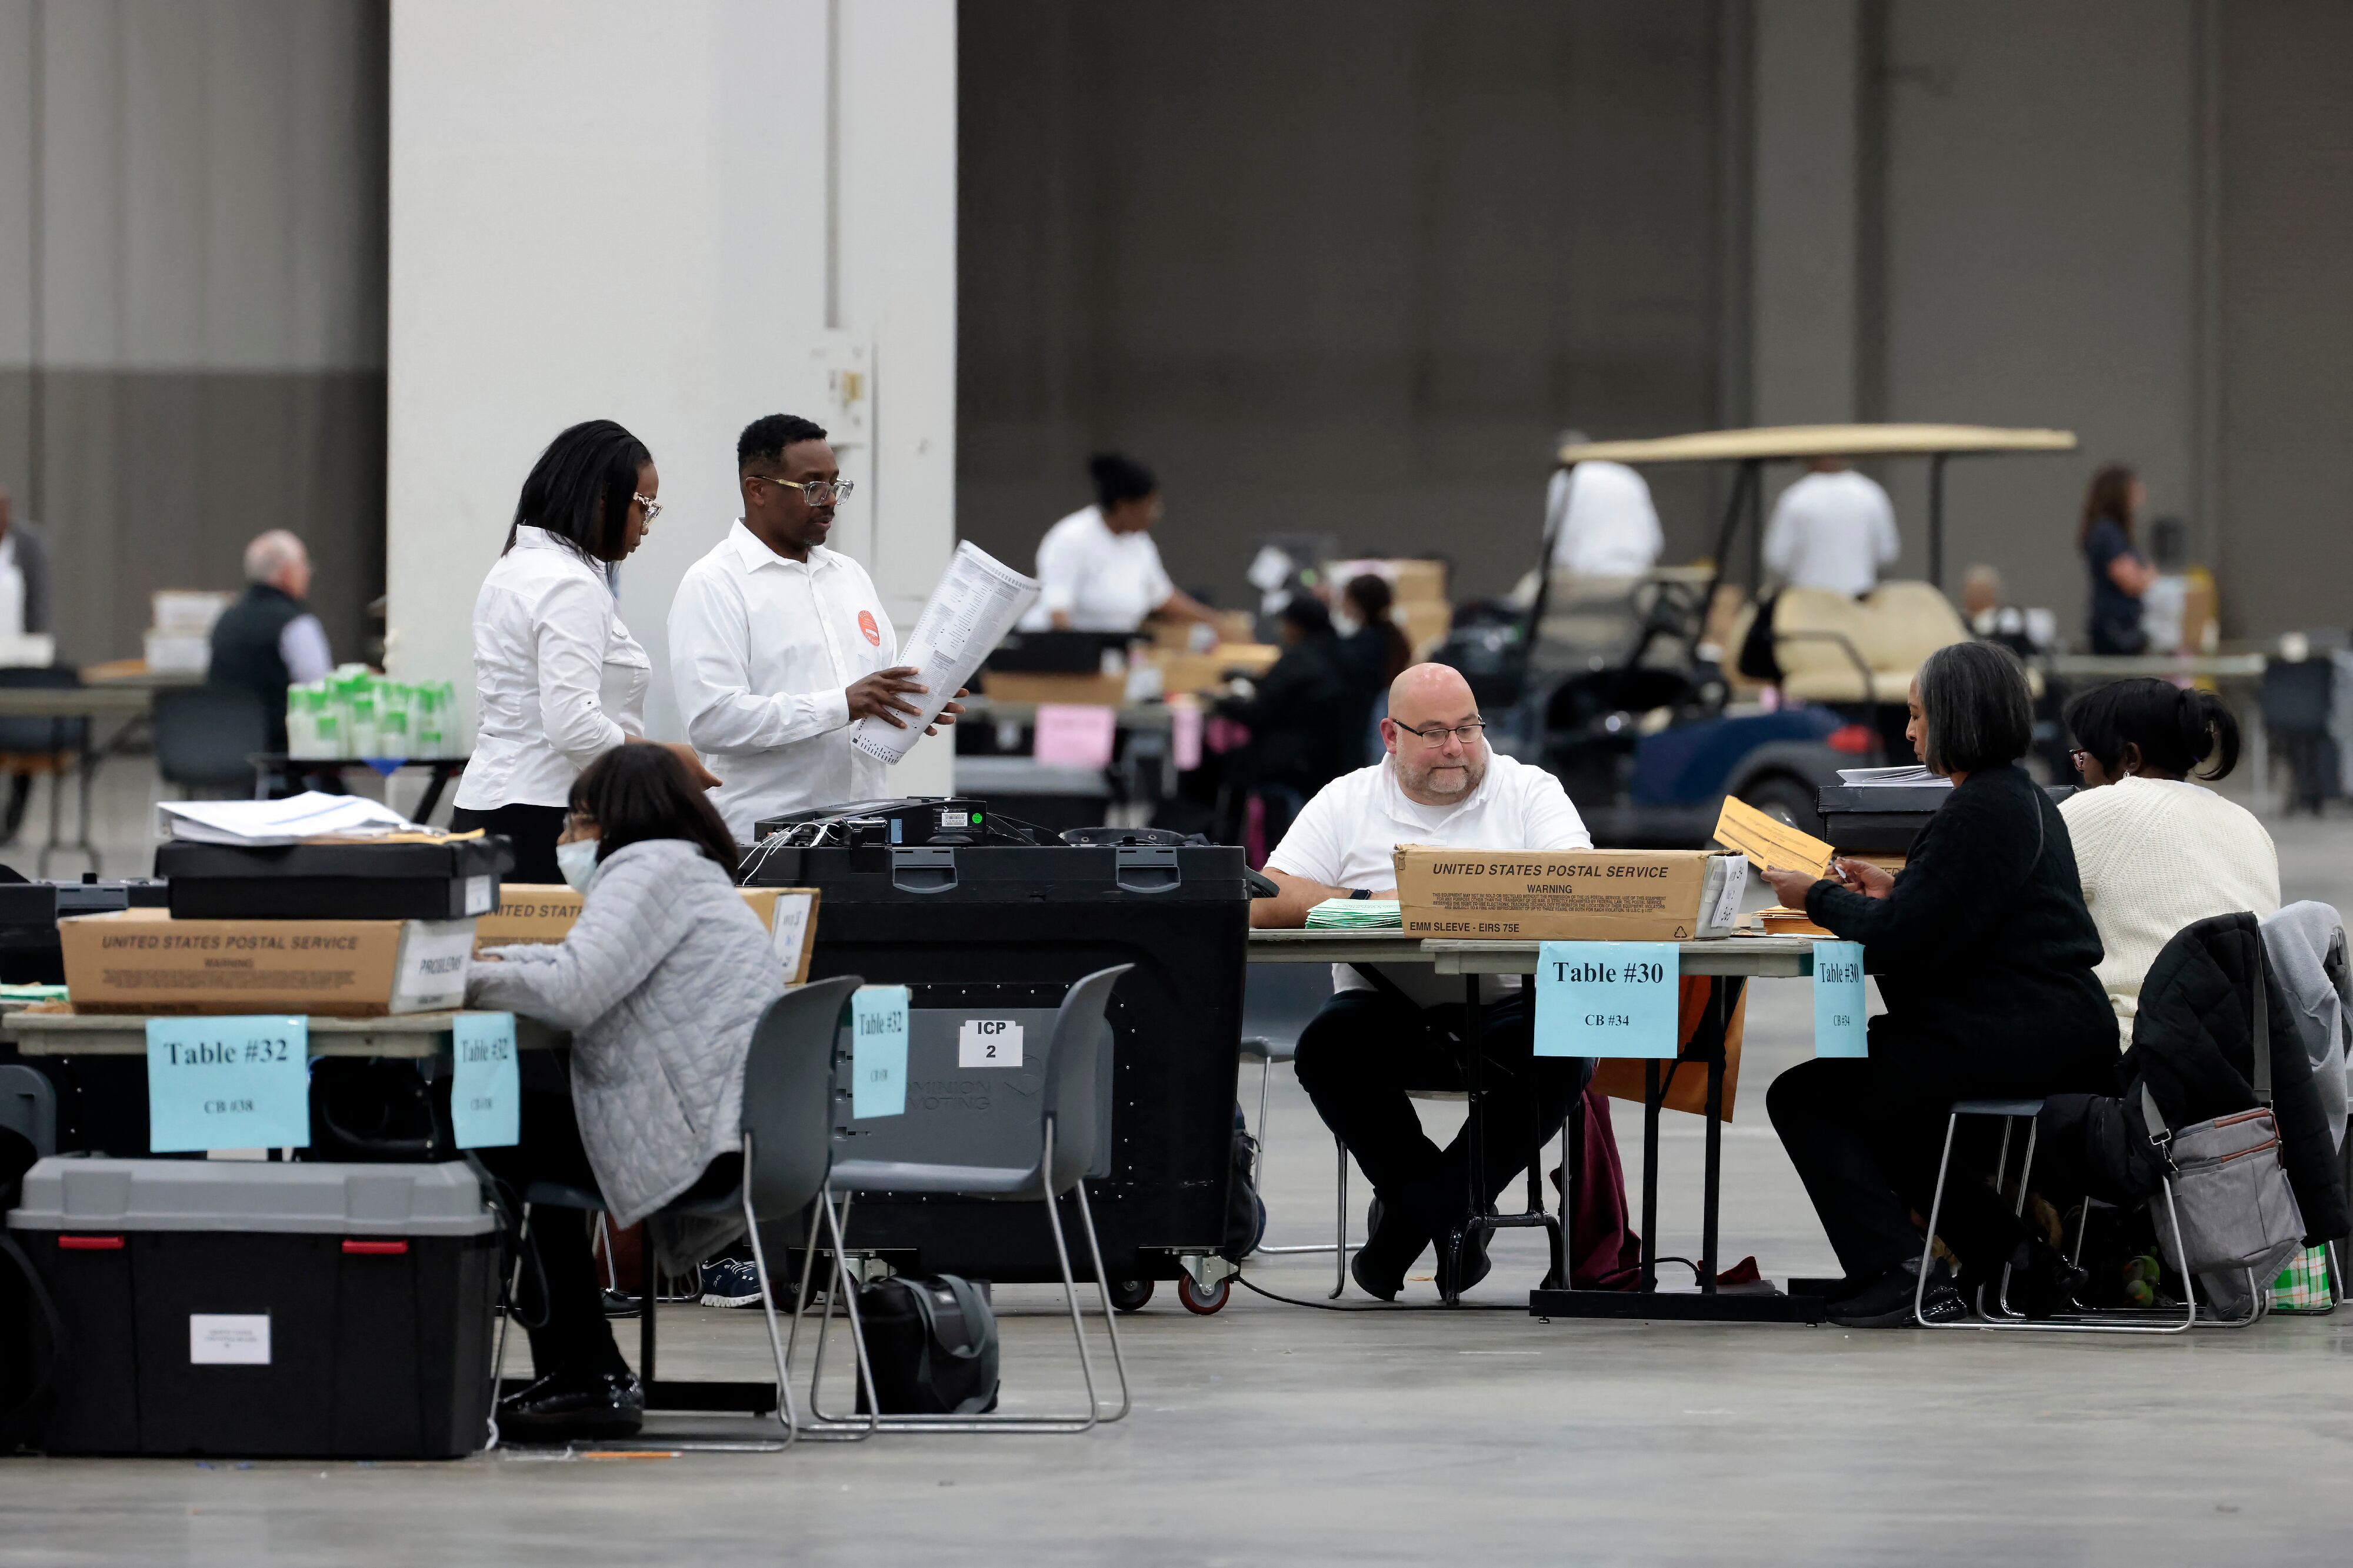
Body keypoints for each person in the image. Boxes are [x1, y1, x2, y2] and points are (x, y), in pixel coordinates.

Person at [1760, 642, 2119, 1327]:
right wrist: (1895, 890)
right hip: (2044, 1024)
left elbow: (1900, 938)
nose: (1909, 732)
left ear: (1955, 718)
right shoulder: (2016, 799)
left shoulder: (1981, 809)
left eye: (1918, 715)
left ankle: (1896, 1272)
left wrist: (1816, 897)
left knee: (1806, 1097)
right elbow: (1954, 910)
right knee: (1893, 1107)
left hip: (2017, 1031)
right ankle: (2012, 1258)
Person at [468, 744, 787, 1442]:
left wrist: (461, 977)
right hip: (737, 1134)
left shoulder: (644, 869)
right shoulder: (688, 870)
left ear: (617, 820)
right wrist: (498, 963)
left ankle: (584, 1372)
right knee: (518, 1133)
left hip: (692, 1139)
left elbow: (573, 992)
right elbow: (577, 963)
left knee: (488, 1132)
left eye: (575, 823)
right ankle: (586, 1367)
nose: (563, 841)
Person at [1255, 663, 1599, 1300]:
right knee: (1327, 1048)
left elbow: (1577, 885)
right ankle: (1454, 1221)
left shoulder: (1529, 790)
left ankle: (1404, 1231)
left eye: (1467, 728)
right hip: (1383, 1009)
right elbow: (1267, 896)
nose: (1455, 747)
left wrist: (1458, 898)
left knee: (1565, 1048)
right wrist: (1372, 898)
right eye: (1434, 731)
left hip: (1505, 1007)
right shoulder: (1346, 798)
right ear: (1390, 734)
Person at [670, 413, 960, 843]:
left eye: (836, 485)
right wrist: (841, 704)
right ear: (758, 490)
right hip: (763, 844)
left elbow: (869, 702)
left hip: (865, 834)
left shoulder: (850, 577)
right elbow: (714, 720)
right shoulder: (715, 582)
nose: (830, 501)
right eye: (813, 487)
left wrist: (915, 705)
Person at [451, 421, 712, 885]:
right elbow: (573, 726)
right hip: (546, 817)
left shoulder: (516, 566)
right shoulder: (570, 584)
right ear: (603, 499)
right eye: (644, 507)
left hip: (491, 808)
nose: (646, 527)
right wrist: (665, 764)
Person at [2060, 678, 2279, 1039]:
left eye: (2085, 758)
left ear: (2130, 757)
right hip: (2252, 1060)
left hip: (2140, 1057)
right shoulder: (2248, 823)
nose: (2082, 772)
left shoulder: (2100, 808)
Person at [1018, 453, 1219, 633]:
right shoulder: (1071, 538)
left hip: (1114, 649)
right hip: (1060, 653)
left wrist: (1214, 622)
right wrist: (1077, 656)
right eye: (1149, 506)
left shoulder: (1139, 542)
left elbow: (1162, 596)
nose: (1156, 514)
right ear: (1124, 507)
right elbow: (1058, 612)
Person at [1214, 596, 1358, 845]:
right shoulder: (1342, 654)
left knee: (1224, 768)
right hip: (1334, 755)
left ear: (1296, 626)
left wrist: (1222, 702)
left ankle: (1227, 848)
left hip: (1292, 760)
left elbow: (1260, 713)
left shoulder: (1297, 659)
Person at [208, 531, 334, 756]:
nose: (308, 574)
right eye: (303, 566)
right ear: (287, 572)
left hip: (224, 752)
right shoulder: (296, 624)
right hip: (282, 757)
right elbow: (320, 693)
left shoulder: (225, 619)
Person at [1762, 456, 1899, 598]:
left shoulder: (1796, 496)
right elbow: (1887, 554)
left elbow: (1777, 559)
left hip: (1809, 602)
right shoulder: (1870, 493)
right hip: (1858, 601)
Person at [0, 485, 55, 840]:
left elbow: (40, 601)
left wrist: (39, 649)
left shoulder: (28, 544)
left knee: (22, 738)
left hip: (20, 657)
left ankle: (13, 818)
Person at [1544, 433, 1662, 578]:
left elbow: (1556, 539)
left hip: (1587, 576)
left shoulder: (1566, 479)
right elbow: (1654, 538)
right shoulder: (1628, 476)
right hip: (1637, 574)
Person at [2079, 463, 2156, 655]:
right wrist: (2147, 575)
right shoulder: (2108, 531)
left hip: (2120, 625)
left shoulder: (2112, 531)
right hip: (2116, 629)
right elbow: (2129, 579)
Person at [1335, 572, 1414, 761]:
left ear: (1358, 603)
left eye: (1345, 598)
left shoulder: (1365, 644)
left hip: (1369, 720)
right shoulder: (1391, 634)